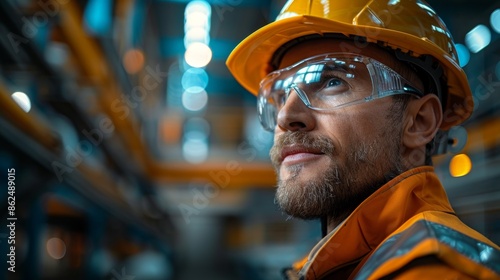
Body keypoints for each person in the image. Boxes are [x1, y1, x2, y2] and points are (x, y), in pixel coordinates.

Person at [226, 0, 500, 279]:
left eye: (332, 81)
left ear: (419, 122)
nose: (286, 116)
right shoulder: (334, 266)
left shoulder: (436, 271)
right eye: (282, 95)